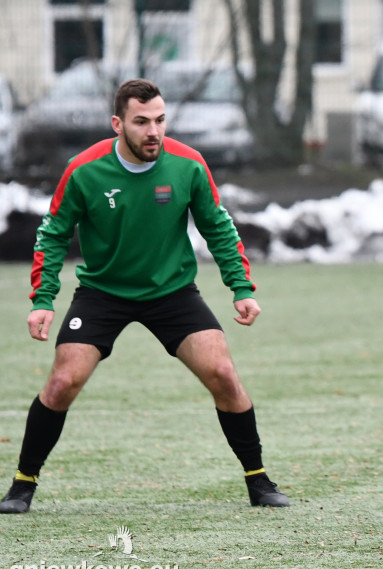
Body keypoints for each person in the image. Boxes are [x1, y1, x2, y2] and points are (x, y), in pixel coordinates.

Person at [0, 79, 289, 514]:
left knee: (224, 374)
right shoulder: (85, 169)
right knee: (62, 383)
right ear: (118, 124)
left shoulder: (187, 165)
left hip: (172, 292)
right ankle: (22, 483)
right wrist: (43, 300)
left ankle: (258, 480)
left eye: (160, 120)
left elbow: (218, 227)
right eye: (141, 122)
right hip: (102, 292)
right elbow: (54, 233)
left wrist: (241, 288)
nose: (153, 131)